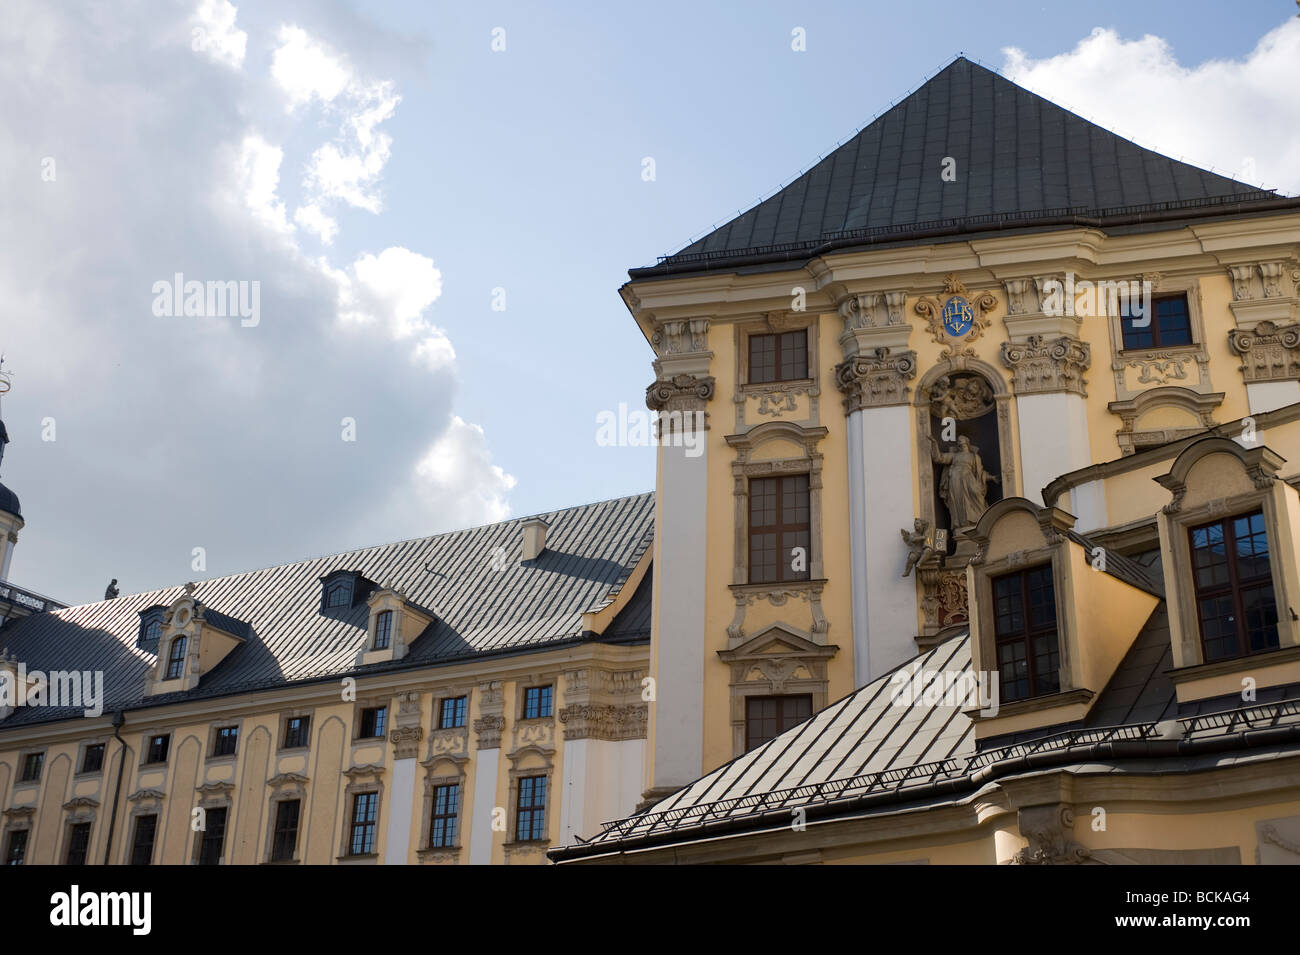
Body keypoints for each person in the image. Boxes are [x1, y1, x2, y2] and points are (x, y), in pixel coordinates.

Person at [928, 435, 998, 529]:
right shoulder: (954, 455)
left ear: (967, 442)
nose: (959, 442)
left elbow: (980, 473)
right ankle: (962, 524)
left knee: (976, 494)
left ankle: (977, 521)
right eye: (958, 441)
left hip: (968, 478)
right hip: (955, 479)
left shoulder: (974, 456)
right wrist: (934, 443)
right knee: (958, 500)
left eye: (961, 440)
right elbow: (938, 458)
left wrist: (992, 477)